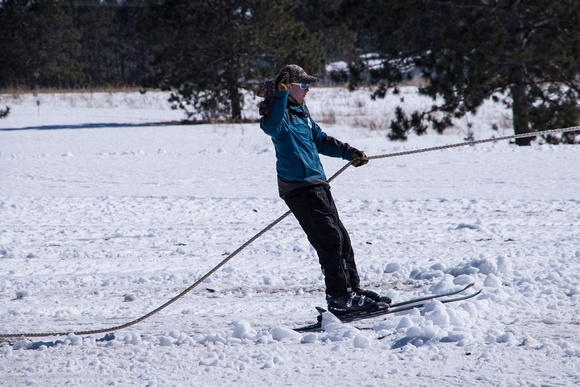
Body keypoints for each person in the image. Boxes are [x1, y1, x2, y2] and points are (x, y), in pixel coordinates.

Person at [257, 64, 391, 315]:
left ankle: (352, 292)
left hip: (318, 183)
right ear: (288, 87)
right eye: (304, 85)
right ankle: (339, 298)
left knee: (341, 237)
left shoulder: (301, 112)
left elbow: (320, 140)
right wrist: (281, 94)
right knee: (329, 239)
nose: (308, 90)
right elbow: (273, 128)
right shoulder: (277, 111)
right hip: (298, 187)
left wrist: (349, 153)